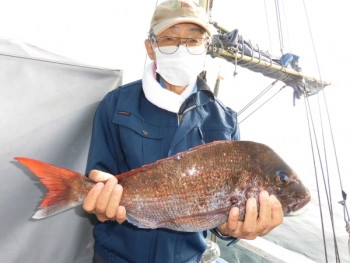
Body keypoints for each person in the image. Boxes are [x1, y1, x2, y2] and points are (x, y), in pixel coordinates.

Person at [83, 0, 283, 262]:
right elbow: (97, 178)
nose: (182, 48)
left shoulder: (226, 120)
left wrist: (230, 228)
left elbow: (222, 215)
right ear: (151, 48)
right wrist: (99, 201)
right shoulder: (115, 104)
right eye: (169, 38)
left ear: (205, 48)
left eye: (193, 40)